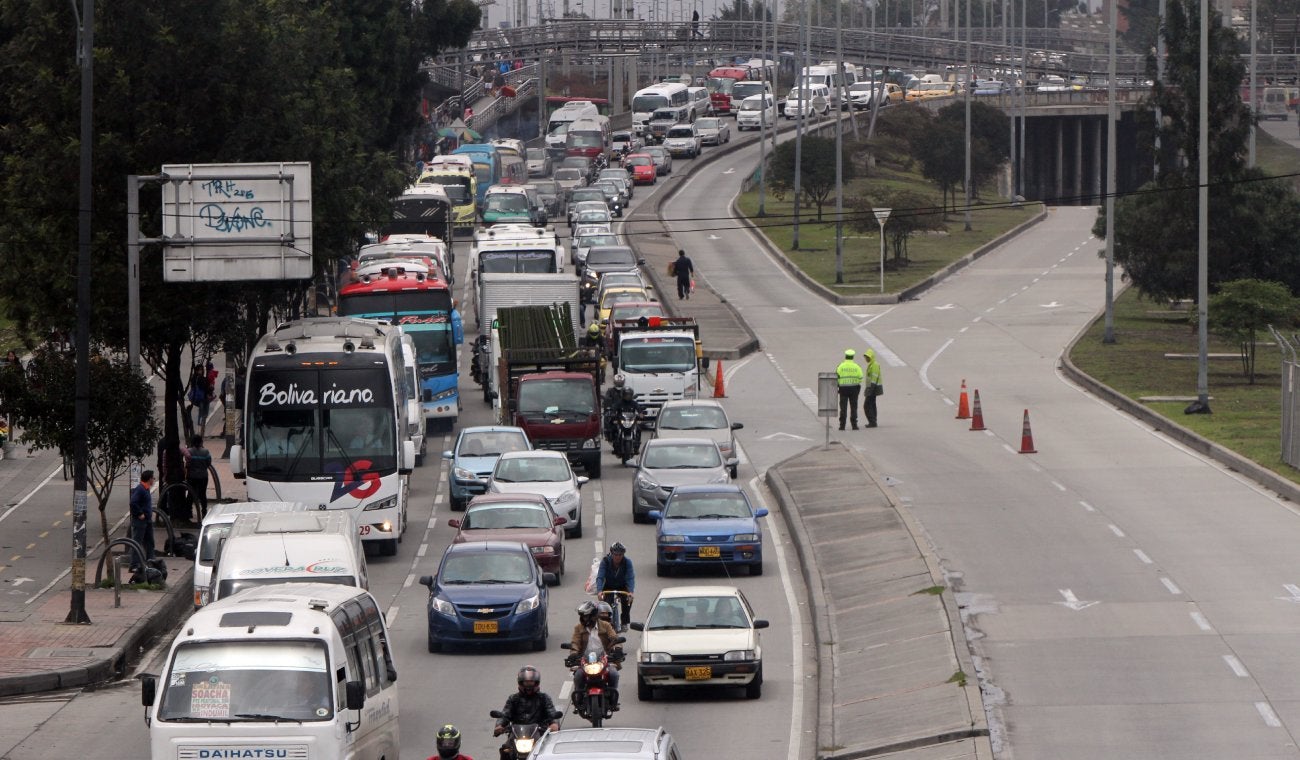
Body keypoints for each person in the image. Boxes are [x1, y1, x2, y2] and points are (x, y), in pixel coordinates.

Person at [493, 666, 559, 758]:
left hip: (539, 733)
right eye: (526, 682)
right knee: (505, 750)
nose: (529, 685)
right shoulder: (513, 699)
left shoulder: (544, 698)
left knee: (549, 752)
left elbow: (551, 712)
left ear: (536, 682)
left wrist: (554, 724)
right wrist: (499, 726)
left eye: (531, 682)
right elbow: (505, 714)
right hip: (516, 735)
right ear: (521, 682)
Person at [568, 601, 621, 709]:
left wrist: (617, 648)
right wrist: (573, 653)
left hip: (604, 659)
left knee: (614, 674)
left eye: (586, 616)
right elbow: (575, 642)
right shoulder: (578, 628)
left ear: (594, 615)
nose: (584, 619)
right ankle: (578, 700)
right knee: (578, 676)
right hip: (585, 660)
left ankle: (613, 699)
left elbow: (614, 638)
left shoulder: (606, 625)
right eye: (582, 616)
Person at [596, 542, 635, 632]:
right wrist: (599, 591)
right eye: (615, 554)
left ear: (623, 554)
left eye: (620, 555)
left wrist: (631, 592)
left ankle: (624, 622)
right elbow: (600, 577)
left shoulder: (627, 562)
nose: (617, 557)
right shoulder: (605, 561)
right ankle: (606, 624)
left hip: (622, 586)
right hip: (608, 586)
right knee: (606, 605)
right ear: (611, 554)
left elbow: (630, 578)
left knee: (628, 600)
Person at [129, 469, 156, 570]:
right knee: (137, 542)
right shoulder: (140, 489)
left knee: (149, 541)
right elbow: (133, 502)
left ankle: (151, 560)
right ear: (149, 479)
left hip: (147, 521)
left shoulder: (146, 488)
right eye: (153, 478)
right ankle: (134, 565)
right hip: (140, 522)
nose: (154, 480)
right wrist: (140, 513)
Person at [183, 434, 211, 523]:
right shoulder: (206, 452)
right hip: (203, 476)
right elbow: (208, 463)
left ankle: (188, 512)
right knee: (203, 494)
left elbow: (187, 464)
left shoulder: (189, 451)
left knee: (190, 494)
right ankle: (204, 511)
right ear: (201, 442)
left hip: (192, 476)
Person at [836, 349, 864, 431]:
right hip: (854, 389)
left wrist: (839, 386)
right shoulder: (857, 366)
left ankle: (842, 426)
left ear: (845, 356)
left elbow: (836, 377)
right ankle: (854, 425)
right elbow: (860, 378)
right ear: (853, 357)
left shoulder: (840, 366)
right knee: (854, 407)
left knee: (843, 408)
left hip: (843, 389)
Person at [187, 364, 210, 435]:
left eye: (202, 369)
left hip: (197, 398)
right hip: (203, 398)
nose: (202, 371)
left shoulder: (194, 378)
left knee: (203, 414)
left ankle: (201, 430)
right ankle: (201, 431)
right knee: (204, 414)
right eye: (200, 369)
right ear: (197, 370)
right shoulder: (201, 379)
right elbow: (206, 388)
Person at [863, 348, 882, 428]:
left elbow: (873, 378)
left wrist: (869, 390)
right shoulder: (872, 364)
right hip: (872, 387)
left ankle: (872, 422)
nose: (866, 359)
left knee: (867, 405)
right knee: (872, 404)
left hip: (873, 387)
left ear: (871, 357)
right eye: (866, 357)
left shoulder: (874, 365)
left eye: (867, 357)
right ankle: (873, 420)